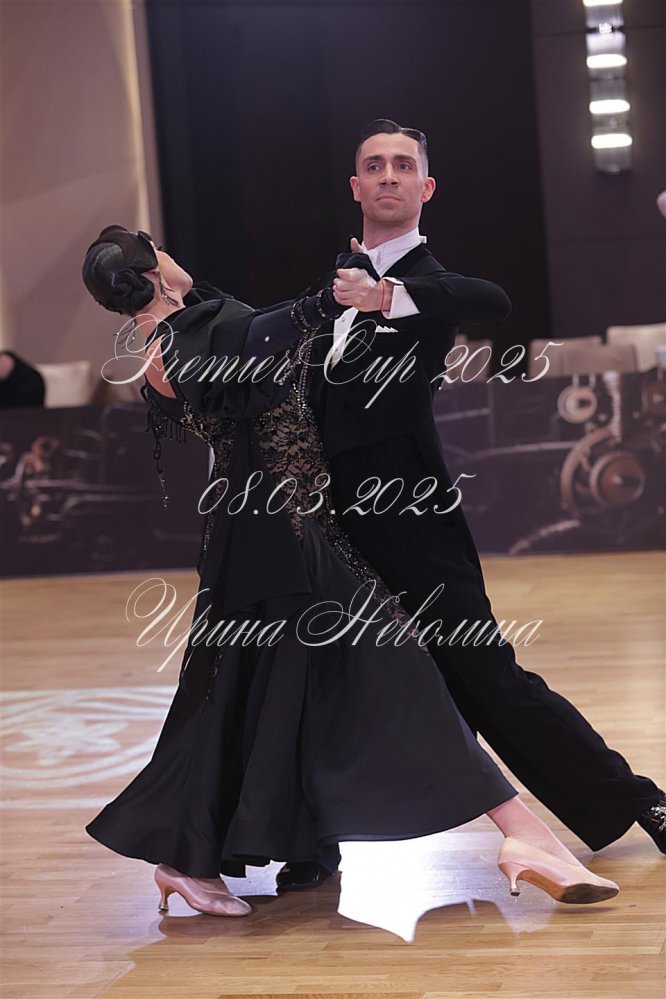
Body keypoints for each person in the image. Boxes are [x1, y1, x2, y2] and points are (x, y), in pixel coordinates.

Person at [79, 225, 619, 917]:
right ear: (154, 271)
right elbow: (271, 330)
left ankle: (186, 859)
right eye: (161, 248)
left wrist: (347, 295)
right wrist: (341, 297)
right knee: (397, 673)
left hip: (270, 534)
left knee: (244, 697)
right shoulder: (193, 334)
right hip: (282, 538)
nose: (175, 253)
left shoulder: (173, 339)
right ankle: (524, 834)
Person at [275, 119, 665, 892]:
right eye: (374, 165)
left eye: (403, 165)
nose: (389, 175)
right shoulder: (332, 288)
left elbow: (493, 297)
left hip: (409, 512)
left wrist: (388, 294)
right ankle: (311, 842)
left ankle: (640, 800)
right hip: (327, 514)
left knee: (482, 673)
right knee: (320, 671)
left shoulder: (428, 283)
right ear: (355, 187)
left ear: (425, 187)